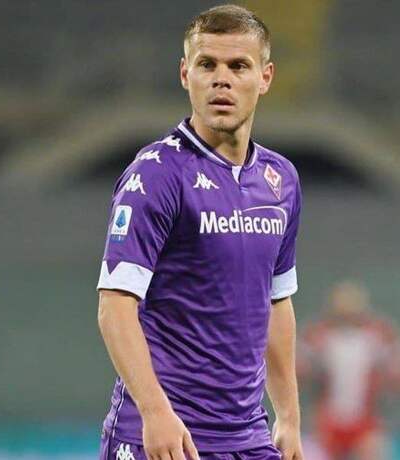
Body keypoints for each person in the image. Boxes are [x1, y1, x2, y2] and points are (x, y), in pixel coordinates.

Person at [95, 5, 303, 460]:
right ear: (185, 74)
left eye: (238, 66)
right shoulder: (156, 174)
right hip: (167, 434)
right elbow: (115, 306)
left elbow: (277, 301)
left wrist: (288, 416)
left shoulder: (281, 180)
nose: (221, 79)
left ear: (265, 77)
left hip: (248, 436)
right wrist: (154, 412)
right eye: (207, 64)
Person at [300, 281, 400, 460]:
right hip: (328, 420)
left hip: (366, 420)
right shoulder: (319, 334)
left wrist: (390, 380)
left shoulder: (377, 334)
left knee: (374, 450)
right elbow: (295, 366)